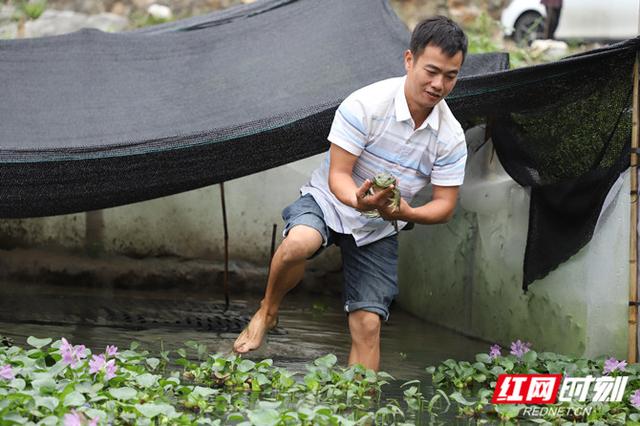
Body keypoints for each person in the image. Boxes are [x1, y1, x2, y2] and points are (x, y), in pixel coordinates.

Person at [233, 16, 468, 371]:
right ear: (409, 60)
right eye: (431, 71)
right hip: (330, 201)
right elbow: (338, 175)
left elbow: (445, 206)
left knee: (369, 324)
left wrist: (405, 213)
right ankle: (269, 309)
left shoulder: (450, 137)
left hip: (381, 224)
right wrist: (359, 200)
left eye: (450, 76)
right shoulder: (366, 105)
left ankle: (359, 407)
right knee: (299, 243)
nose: (438, 84)